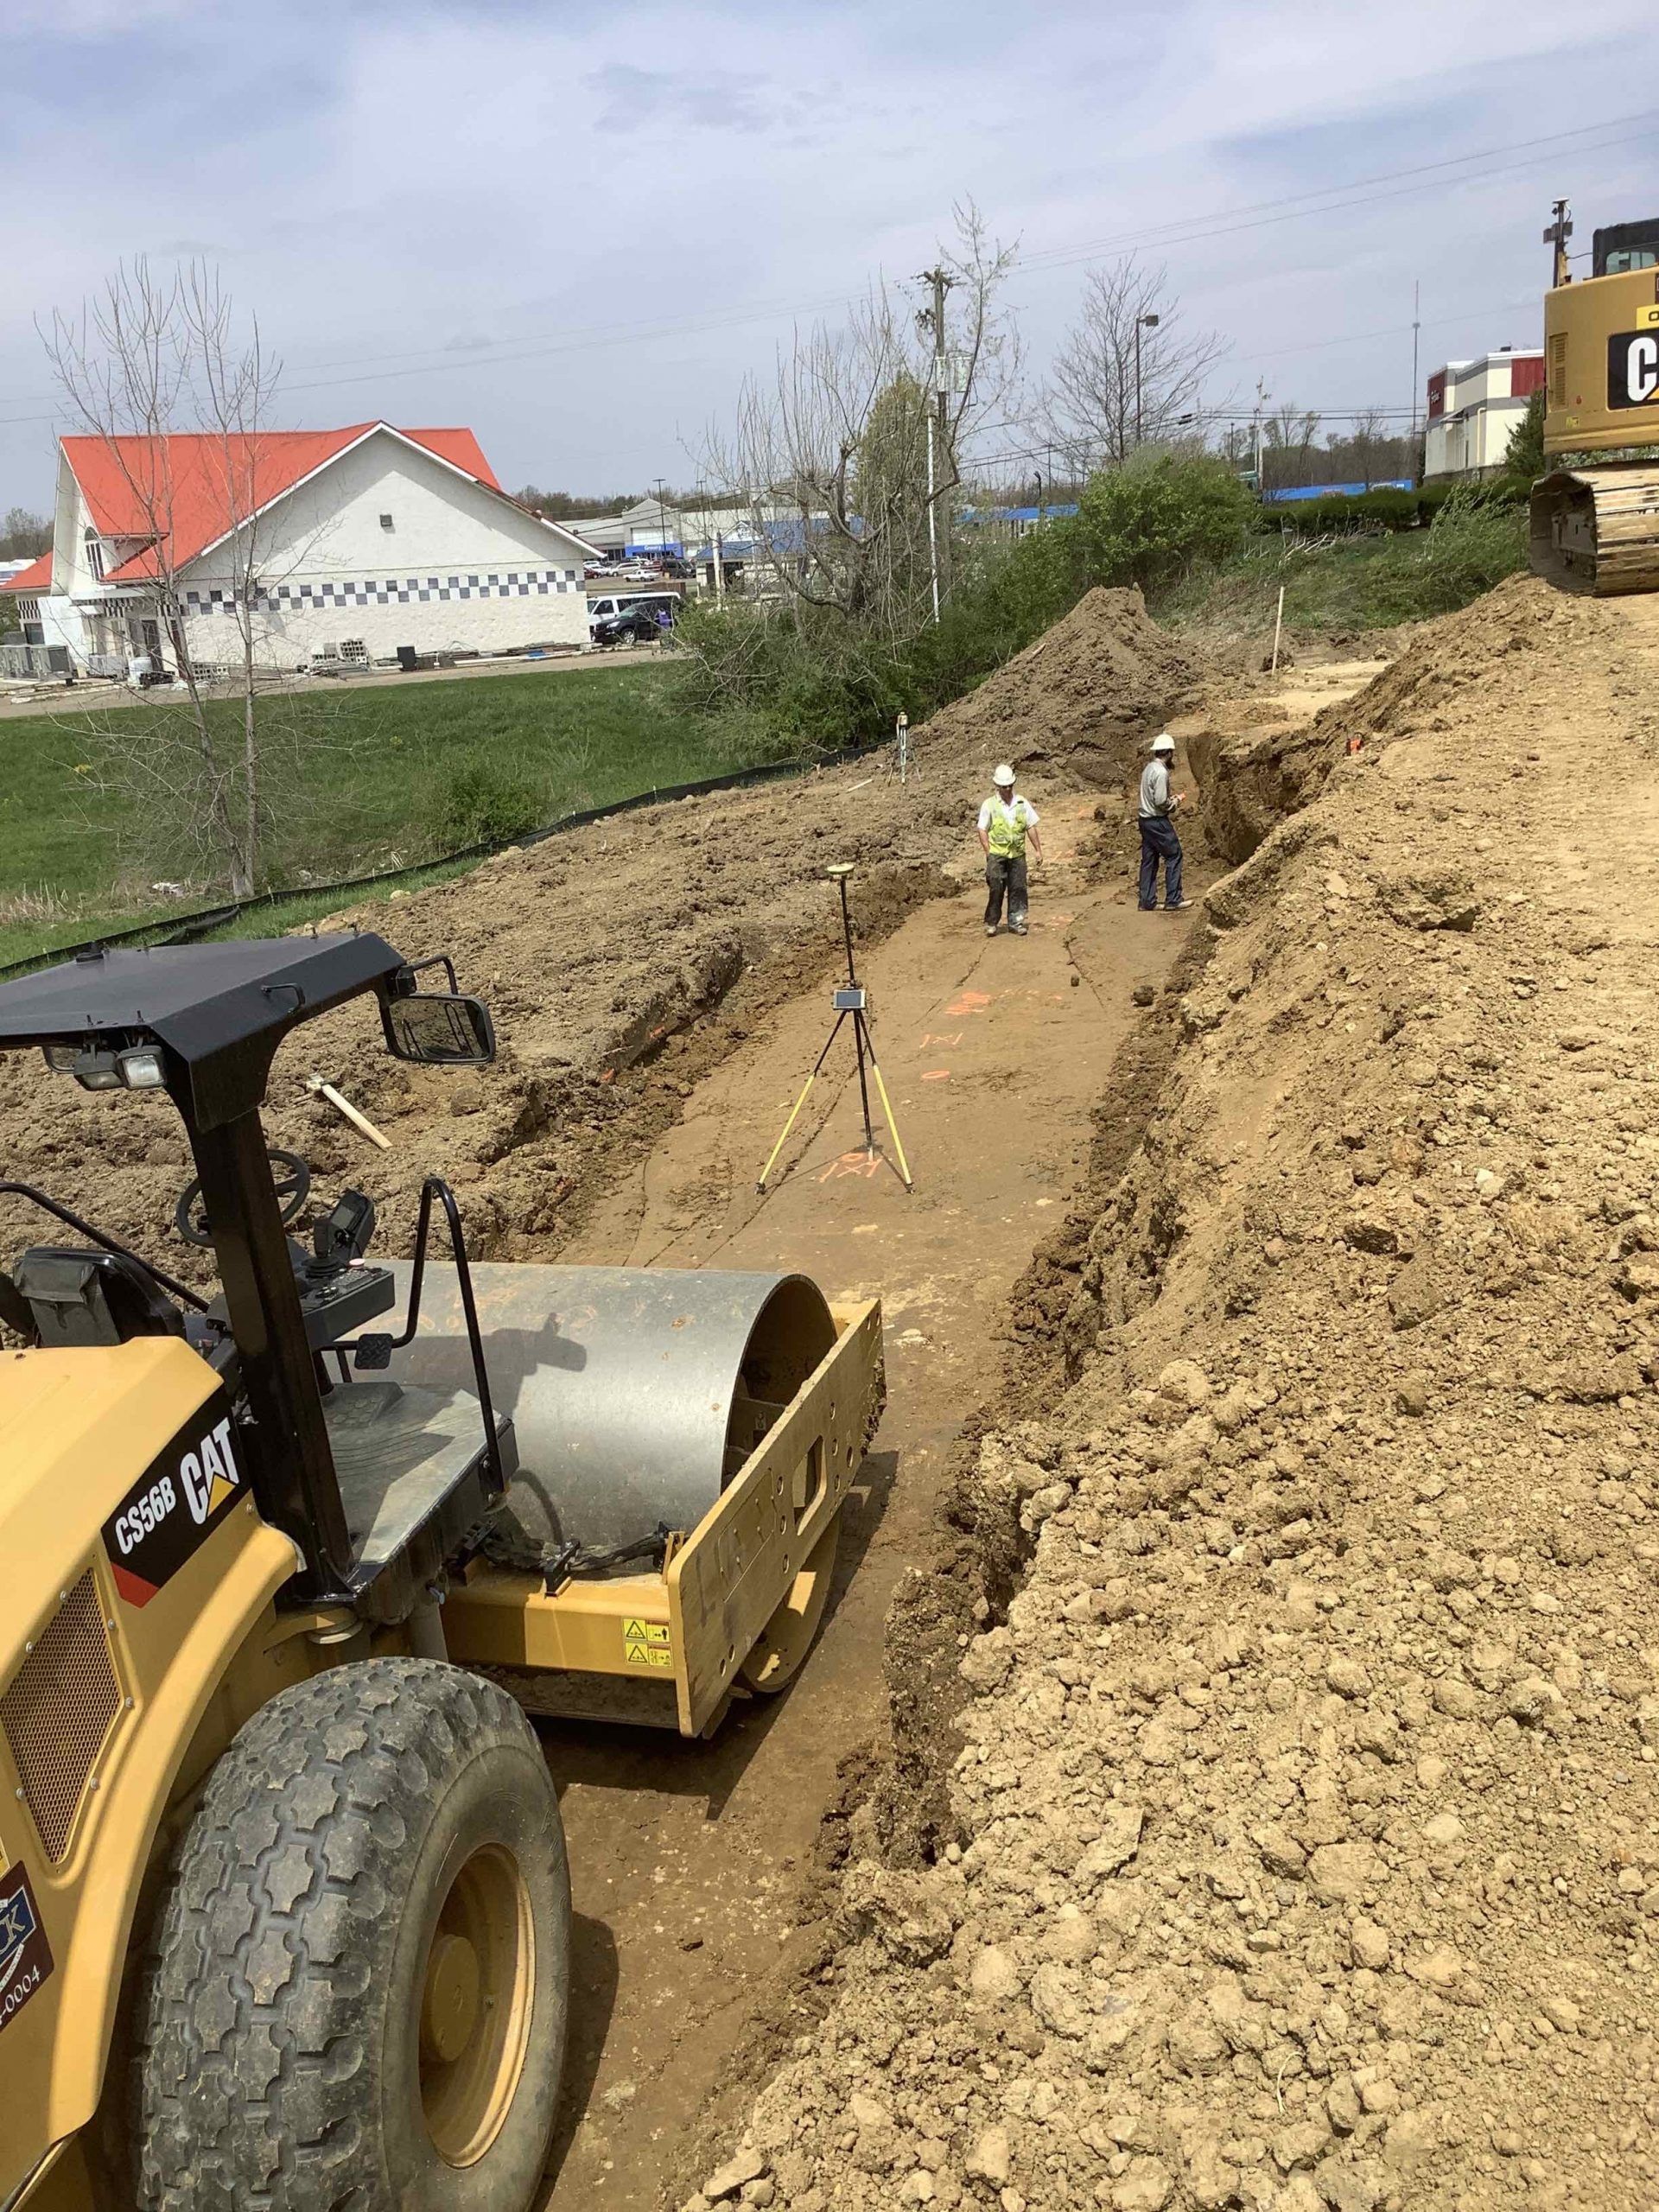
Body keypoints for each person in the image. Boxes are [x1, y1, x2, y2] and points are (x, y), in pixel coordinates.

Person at [977, 764, 1043, 937]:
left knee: (1018, 887)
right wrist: (988, 852)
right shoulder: (989, 805)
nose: (1007, 789)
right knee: (996, 887)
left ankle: (1016, 921)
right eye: (1004, 786)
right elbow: (982, 829)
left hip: (1017, 854)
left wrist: (1038, 850)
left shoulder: (1022, 803)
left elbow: (1031, 826)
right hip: (997, 855)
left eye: (1009, 786)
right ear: (997, 786)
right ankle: (992, 922)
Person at [1138, 733, 1191, 912]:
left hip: (1144, 820)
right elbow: (1161, 801)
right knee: (1174, 855)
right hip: (1157, 821)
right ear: (1168, 753)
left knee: (1149, 860)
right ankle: (1173, 899)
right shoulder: (1161, 772)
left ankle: (1146, 901)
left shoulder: (1148, 769)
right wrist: (1174, 802)